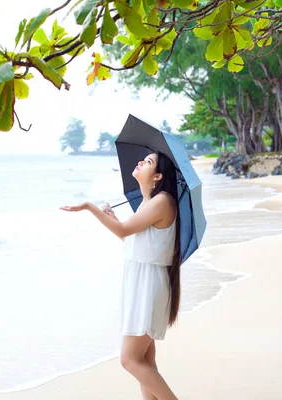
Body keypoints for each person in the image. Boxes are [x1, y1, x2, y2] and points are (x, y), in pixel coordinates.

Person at [60, 150, 182, 400]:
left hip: (149, 286)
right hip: (142, 284)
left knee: (129, 360)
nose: (140, 162)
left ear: (158, 175)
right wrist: (113, 219)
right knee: (145, 362)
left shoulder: (162, 201)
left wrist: (89, 207)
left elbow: (124, 230)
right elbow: (135, 241)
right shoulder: (150, 203)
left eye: (148, 162)